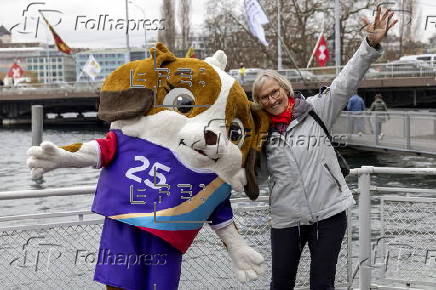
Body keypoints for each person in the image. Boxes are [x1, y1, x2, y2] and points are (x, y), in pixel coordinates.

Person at [252, 7, 397, 290]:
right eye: (264, 97)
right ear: (258, 102)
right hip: (286, 218)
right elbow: (256, 180)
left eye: (274, 92)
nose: (271, 100)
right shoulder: (262, 134)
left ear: (285, 89)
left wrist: (370, 44)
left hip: (328, 214)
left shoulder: (316, 110)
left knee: (322, 283)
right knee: (280, 284)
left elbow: (346, 80)